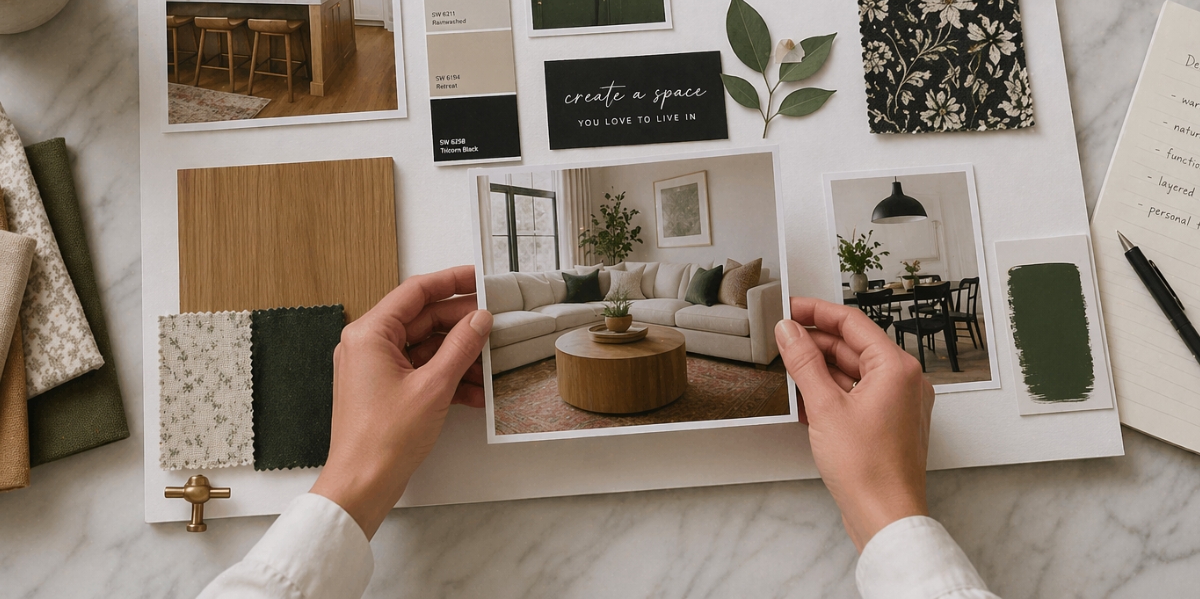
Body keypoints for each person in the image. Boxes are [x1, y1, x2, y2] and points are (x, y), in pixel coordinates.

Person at [198, 267, 1000, 599]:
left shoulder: (687, 295)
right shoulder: (574, 303)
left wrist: (349, 482)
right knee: (576, 334)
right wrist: (894, 514)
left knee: (651, 330)